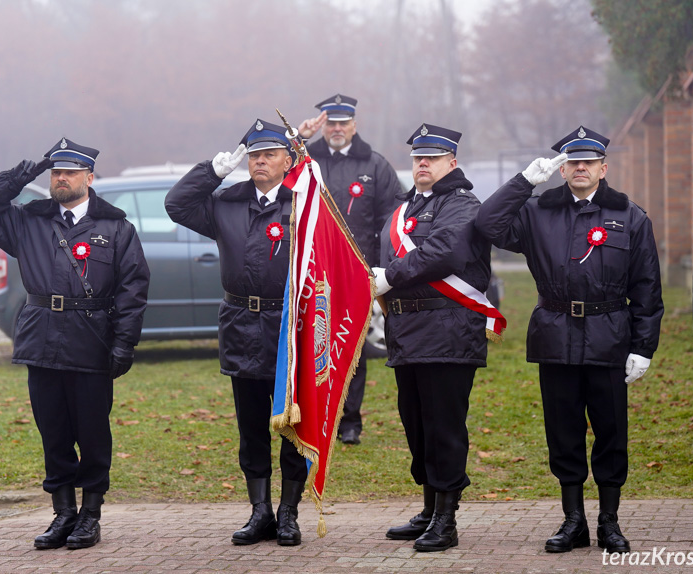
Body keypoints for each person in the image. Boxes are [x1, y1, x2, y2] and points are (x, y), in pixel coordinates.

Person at [475, 126, 663, 555]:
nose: (580, 167)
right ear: (562, 170)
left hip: (609, 337)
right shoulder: (537, 212)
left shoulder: (630, 216)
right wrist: (524, 182)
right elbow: (486, 224)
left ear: (603, 168)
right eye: (572, 161)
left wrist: (643, 346)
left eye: (588, 161)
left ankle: (609, 521)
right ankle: (573, 520)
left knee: (611, 431)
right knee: (563, 432)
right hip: (556, 336)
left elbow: (648, 289)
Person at [0, 138, 150, 550]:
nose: (61, 179)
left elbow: (133, 290)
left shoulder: (116, 228)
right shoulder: (28, 222)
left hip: (90, 343)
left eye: (69, 172)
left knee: (91, 431)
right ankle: (63, 512)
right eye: (55, 172)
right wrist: (24, 173)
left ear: (89, 177)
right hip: (41, 340)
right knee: (52, 430)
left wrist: (124, 343)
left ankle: (90, 514)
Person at [164, 119, 308, 547]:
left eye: (269, 155)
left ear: (288, 160)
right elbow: (177, 205)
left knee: (292, 426)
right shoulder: (227, 203)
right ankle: (259, 510)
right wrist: (212, 171)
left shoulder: (303, 204)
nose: (260, 161)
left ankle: (288, 513)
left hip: (288, 329)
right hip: (242, 324)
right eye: (254, 155)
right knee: (250, 427)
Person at [374, 123, 495, 552]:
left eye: (433, 157)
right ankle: (429, 509)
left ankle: (447, 519)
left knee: (444, 427)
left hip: (447, 331)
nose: (422, 163)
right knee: (417, 425)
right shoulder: (405, 207)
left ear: (452, 162)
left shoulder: (463, 205)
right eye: (417, 157)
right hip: (407, 332)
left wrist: (388, 276)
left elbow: (442, 252)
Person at [297, 94, 400, 445]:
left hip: (357, 273)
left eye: (343, 123)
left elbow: (393, 218)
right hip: (315, 273)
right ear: (323, 126)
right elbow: (278, 172)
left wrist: (381, 266)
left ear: (354, 125)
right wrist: (299, 138)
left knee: (351, 346)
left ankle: (349, 421)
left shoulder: (375, 165)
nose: (337, 129)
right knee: (314, 346)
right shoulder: (308, 161)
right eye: (331, 123)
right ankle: (319, 416)